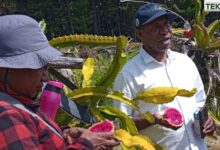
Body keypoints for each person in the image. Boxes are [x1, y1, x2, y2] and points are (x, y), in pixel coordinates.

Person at [0, 14, 119, 150]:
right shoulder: (6, 117)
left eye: (46, 67)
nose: (45, 77)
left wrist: (61, 134)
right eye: (39, 67)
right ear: (7, 68)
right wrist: (86, 145)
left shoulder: (19, 102)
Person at [113, 3, 215, 150]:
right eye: (156, 27)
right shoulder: (129, 74)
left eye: (166, 24)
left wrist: (207, 120)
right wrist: (152, 119)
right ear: (139, 33)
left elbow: (199, 102)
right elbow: (120, 125)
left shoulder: (185, 62)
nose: (164, 31)